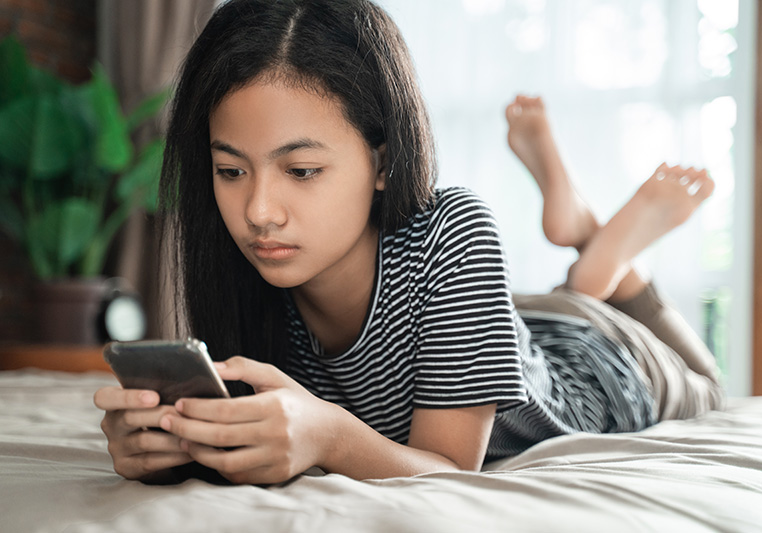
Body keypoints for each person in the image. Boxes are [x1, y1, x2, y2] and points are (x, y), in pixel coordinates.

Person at [94, 0, 723, 485]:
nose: (258, 212)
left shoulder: (452, 229)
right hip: (514, 323)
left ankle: (611, 256)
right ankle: (589, 243)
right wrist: (168, 444)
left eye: (302, 171)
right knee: (558, 303)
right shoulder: (243, 267)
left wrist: (332, 439)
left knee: (708, 382)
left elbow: (452, 471)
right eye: (231, 171)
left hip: (603, 364)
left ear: (384, 162)